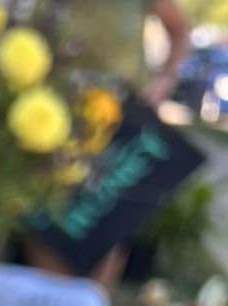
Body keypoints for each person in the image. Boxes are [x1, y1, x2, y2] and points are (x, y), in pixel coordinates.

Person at [26, 0, 191, 287]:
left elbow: (179, 32)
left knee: (104, 227)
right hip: (56, 114)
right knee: (48, 221)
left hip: (121, 119)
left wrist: (165, 79)